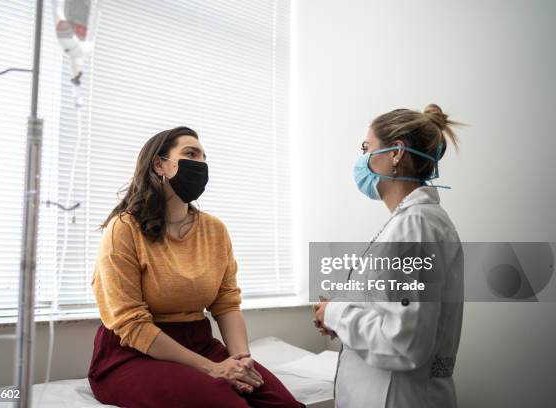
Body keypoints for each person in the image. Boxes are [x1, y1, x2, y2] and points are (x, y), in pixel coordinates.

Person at [87, 126, 305, 408]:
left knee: (283, 404)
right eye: (191, 154)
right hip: (132, 355)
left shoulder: (214, 230)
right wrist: (213, 369)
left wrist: (241, 361)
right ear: (159, 164)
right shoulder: (124, 229)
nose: (200, 163)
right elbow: (131, 324)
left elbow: (226, 302)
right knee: (227, 403)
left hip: (199, 344)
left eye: (204, 157)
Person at [314, 104, 465, 408]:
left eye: (366, 148)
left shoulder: (415, 226)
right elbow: (397, 318)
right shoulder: (414, 222)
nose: (361, 158)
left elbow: (404, 344)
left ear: (396, 152)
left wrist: (334, 313)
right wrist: (342, 321)